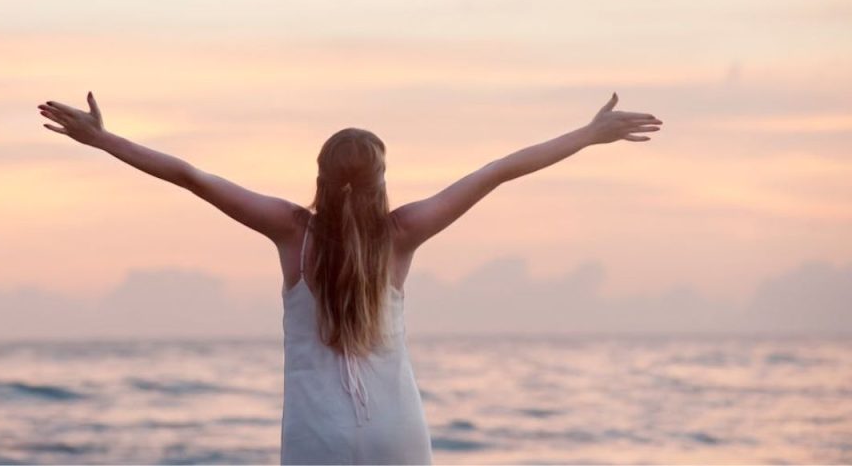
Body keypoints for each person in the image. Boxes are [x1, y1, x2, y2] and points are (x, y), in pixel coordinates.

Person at [36, 91, 662, 464]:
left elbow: (191, 176)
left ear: (320, 173)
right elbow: (498, 170)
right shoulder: (405, 231)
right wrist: (587, 135)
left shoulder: (290, 231)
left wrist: (104, 140)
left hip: (317, 436)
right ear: (381, 178)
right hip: (396, 430)